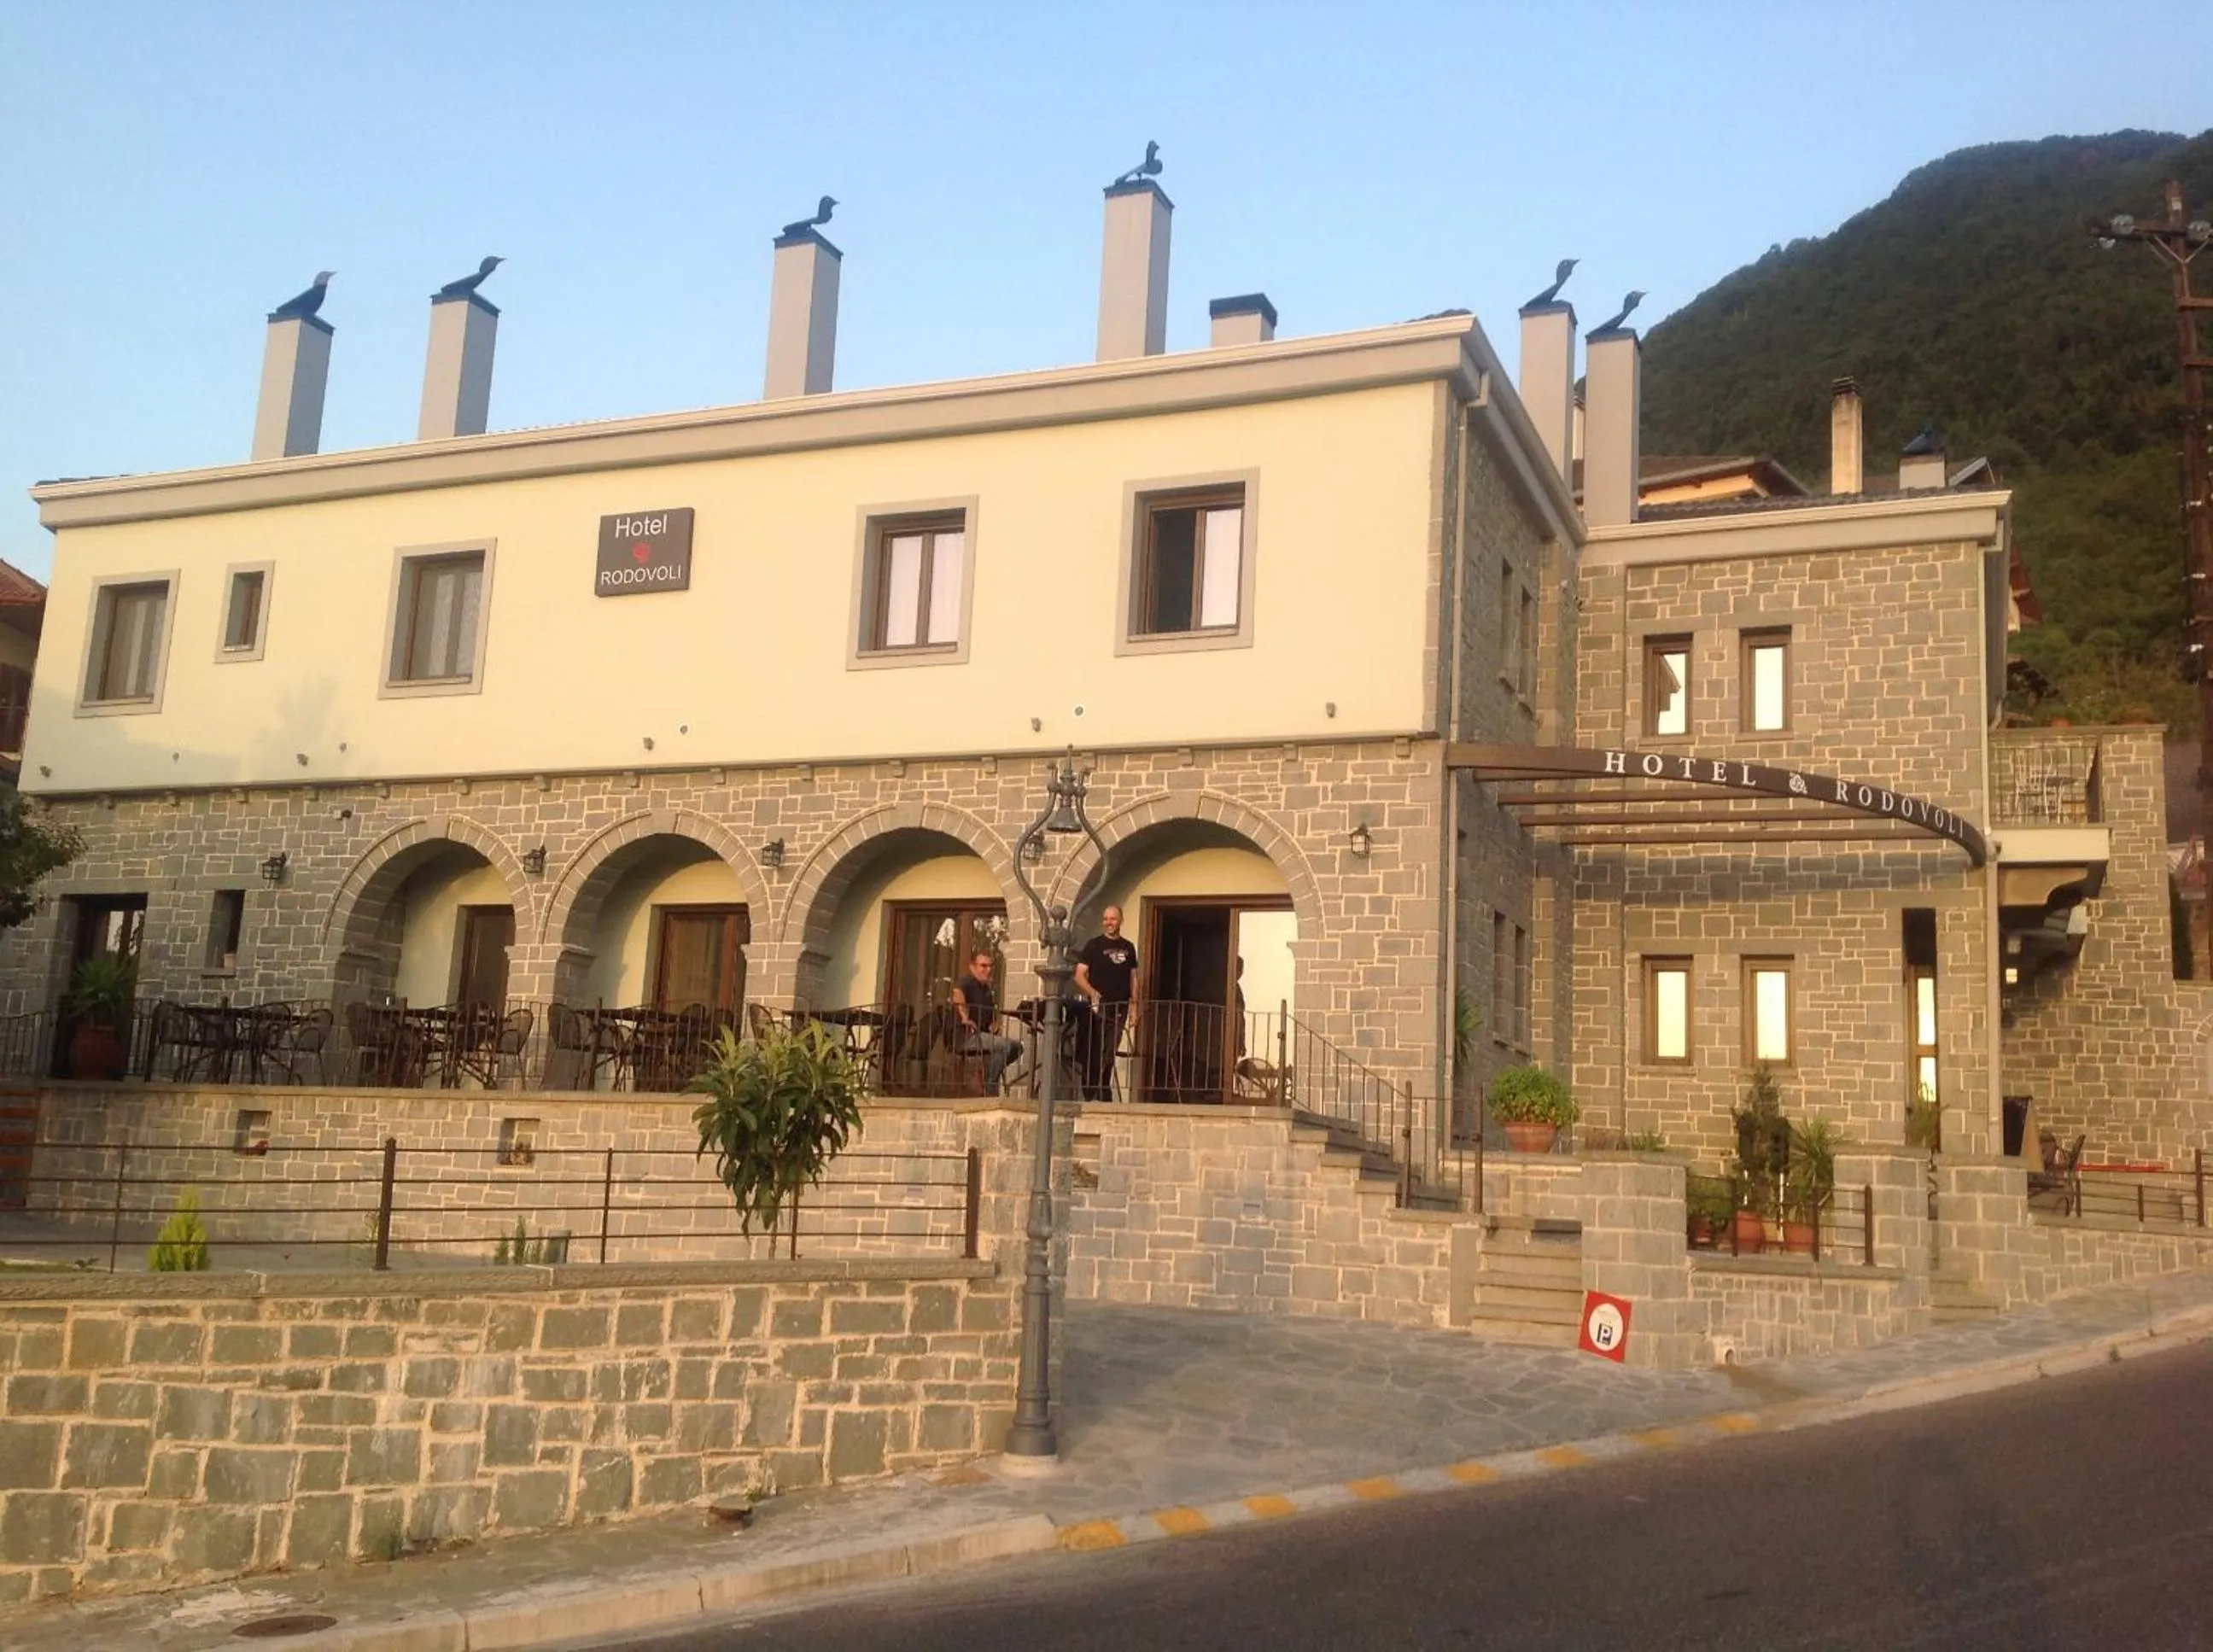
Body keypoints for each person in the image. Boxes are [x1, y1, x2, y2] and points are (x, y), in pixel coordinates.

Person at [1073, 905, 1140, 1101]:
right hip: (1098, 1009)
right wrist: (1093, 993)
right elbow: (1079, 975)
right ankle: (1091, 1092)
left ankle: (1103, 1089)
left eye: (1113, 919)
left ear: (1121, 920)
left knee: (1110, 1051)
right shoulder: (1094, 945)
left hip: (1121, 1007)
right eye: (1106, 919)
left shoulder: (1129, 947)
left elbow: (1133, 978)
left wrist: (1135, 1007)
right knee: (1095, 1049)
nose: (1109, 922)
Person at [951, 950, 1023, 1092]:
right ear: (973, 967)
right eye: (983, 966)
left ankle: (984, 1078)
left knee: (1017, 1047)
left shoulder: (987, 991)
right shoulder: (968, 981)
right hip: (964, 1037)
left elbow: (989, 1018)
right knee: (1006, 1046)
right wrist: (965, 1018)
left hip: (981, 1036)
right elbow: (957, 993)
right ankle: (989, 1085)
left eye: (990, 966)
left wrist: (993, 1025)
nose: (988, 970)